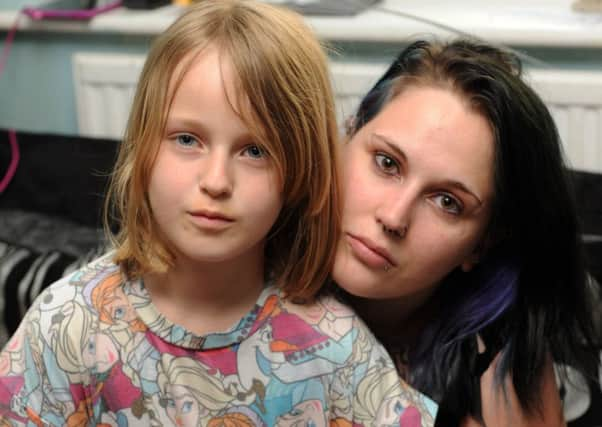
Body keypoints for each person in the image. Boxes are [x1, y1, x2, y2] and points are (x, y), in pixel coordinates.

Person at [0, 1, 438, 425]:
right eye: (187, 139)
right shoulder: (64, 323)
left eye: (254, 151)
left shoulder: (336, 348)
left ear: (301, 174)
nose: (215, 180)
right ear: (143, 150)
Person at [332, 39, 601, 426]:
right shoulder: (251, 262)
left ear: (483, 241)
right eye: (387, 163)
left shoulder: (502, 353)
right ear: (347, 138)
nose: (393, 217)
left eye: (447, 202)